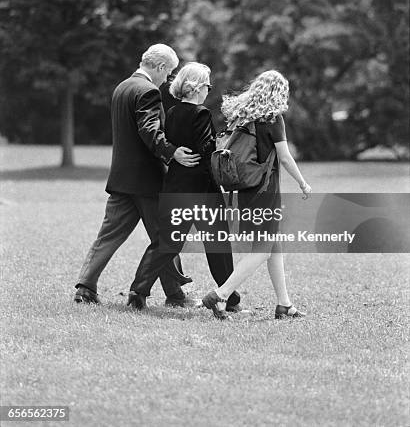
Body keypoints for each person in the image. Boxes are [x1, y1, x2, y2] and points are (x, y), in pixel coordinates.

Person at [74, 44, 201, 307]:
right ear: (160, 67)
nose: (167, 81)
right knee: (167, 237)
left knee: (108, 236)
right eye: (168, 74)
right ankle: (174, 295)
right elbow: (149, 129)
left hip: (121, 179)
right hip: (147, 181)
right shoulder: (148, 91)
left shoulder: (121, 87)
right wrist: (171, 151)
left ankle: (85, 287)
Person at [127, 62, 241, 312]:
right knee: (217, 244)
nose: (208, 91)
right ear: (198, 86)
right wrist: (222, 141)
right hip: (202, 190)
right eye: (208, 86)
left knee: (166, 243)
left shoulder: (173, 111)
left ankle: (138, 291)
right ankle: (229, 298)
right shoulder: (201, 113)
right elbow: (206, 150)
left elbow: (177, 143)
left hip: (176, 186)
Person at [202, 70, 312, 319]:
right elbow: (284, 157)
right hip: (265, 192)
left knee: (274, 247)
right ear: (279, 92)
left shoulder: (243, 117)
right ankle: (220, 295)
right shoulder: (273, 119)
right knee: (262, 250)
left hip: (246, 190)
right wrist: (303, 183)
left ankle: (284, 304)